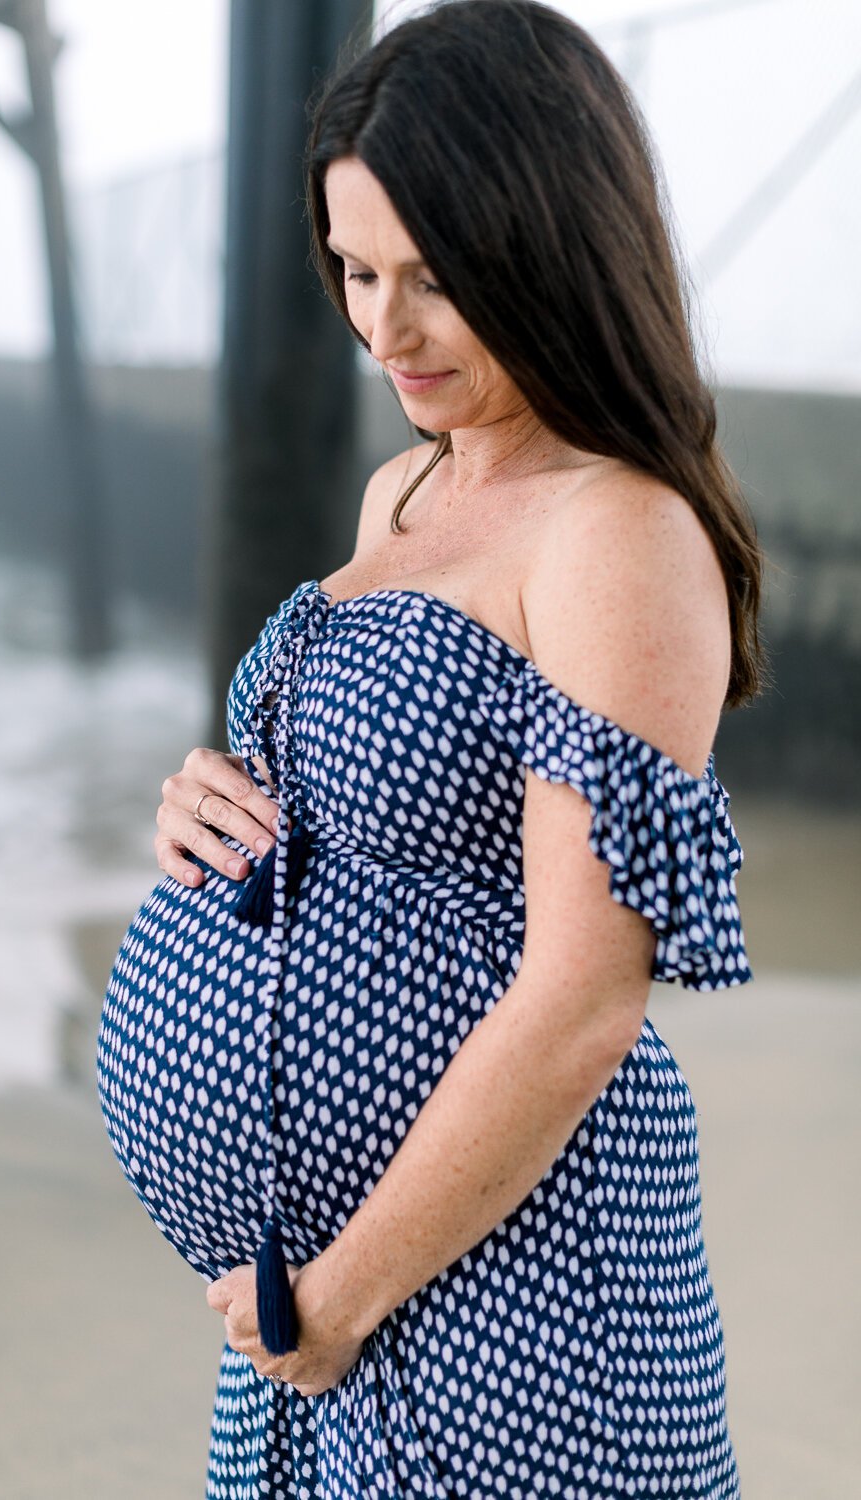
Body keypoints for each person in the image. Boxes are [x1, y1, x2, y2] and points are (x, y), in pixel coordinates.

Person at [97, 2, 766, 1494]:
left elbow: (584, 996)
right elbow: (369, 812)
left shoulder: (619, 536)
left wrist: (339, 1297)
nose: (383, 329)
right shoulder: (407, 489)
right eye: (355, 271)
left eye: (437, 282)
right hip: (329, 1298)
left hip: (501, 1307)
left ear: (554, 251)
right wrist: (211, 806)